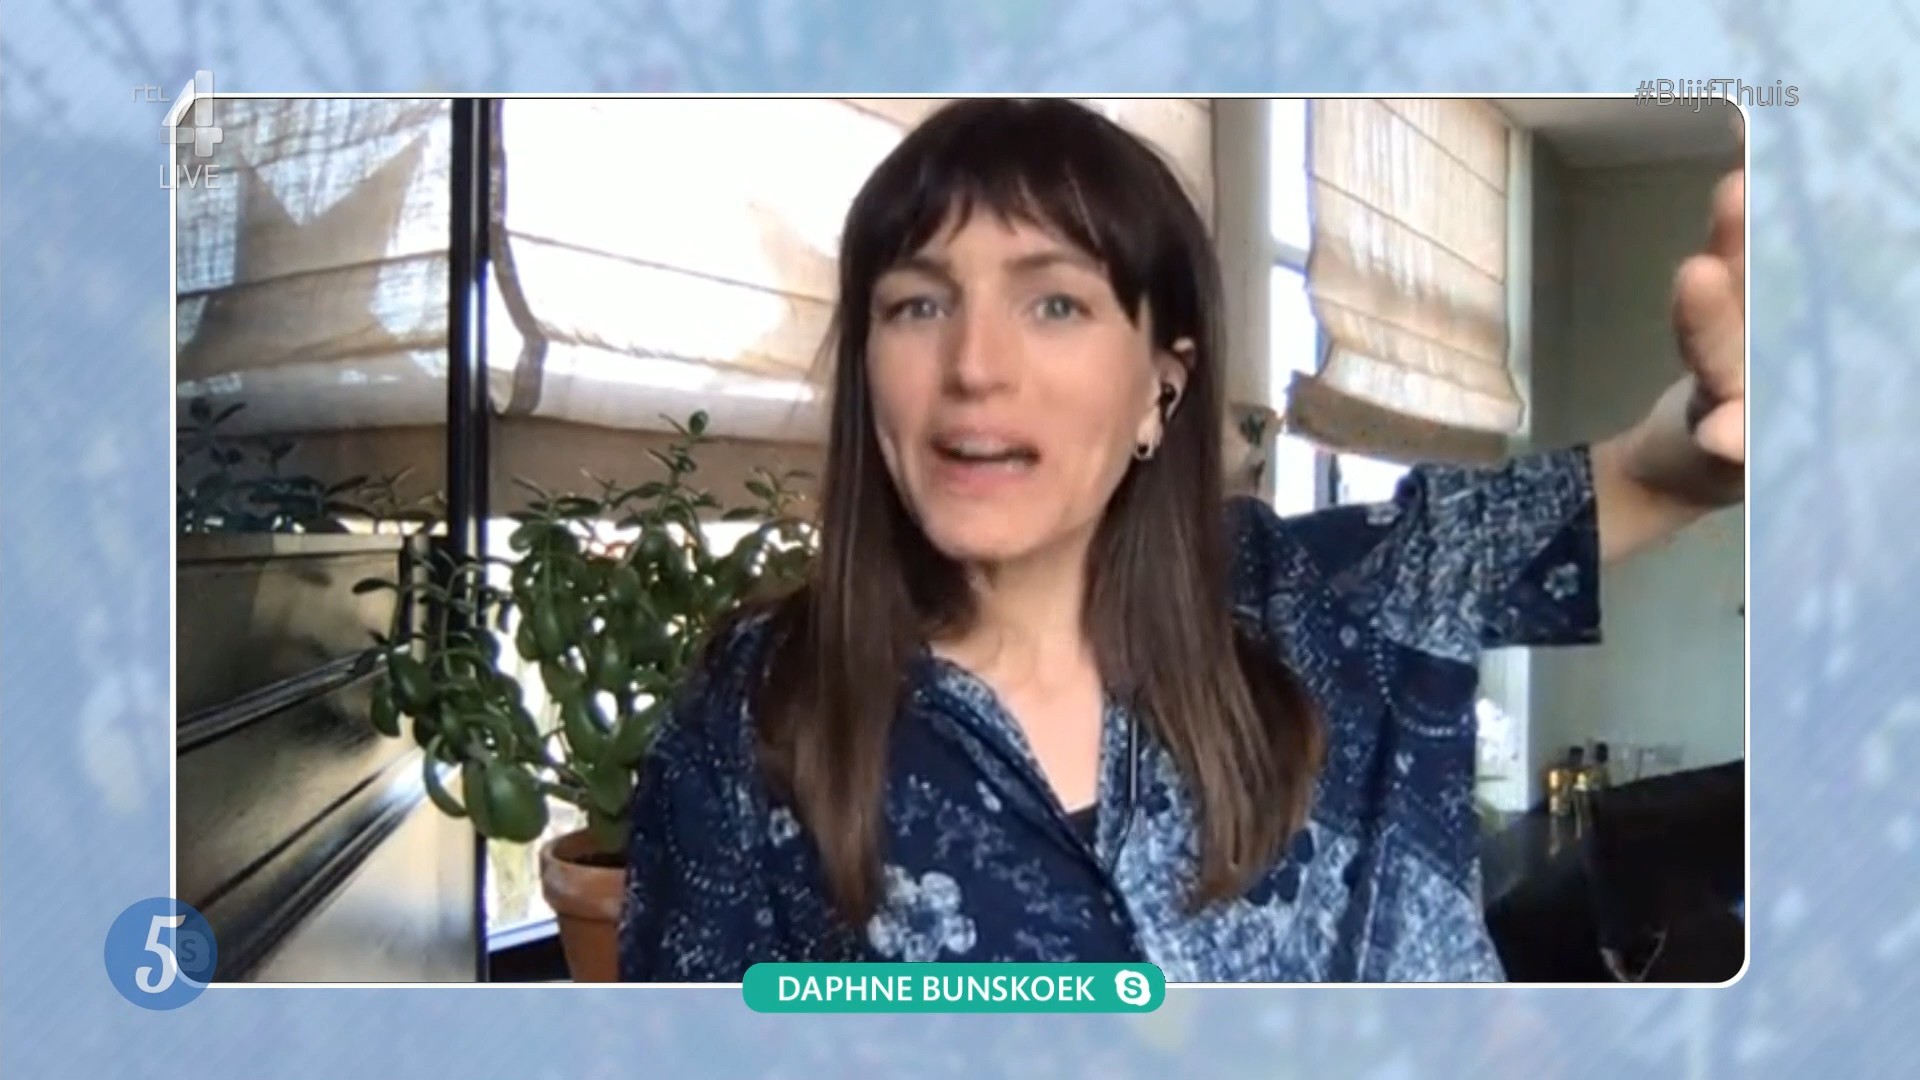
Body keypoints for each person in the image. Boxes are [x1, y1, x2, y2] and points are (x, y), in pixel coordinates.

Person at [617, 98, 1744, 982]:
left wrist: (1723, 415)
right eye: (918, 304)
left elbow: (1648, 474)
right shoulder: (756, 712)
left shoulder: (1334, 603)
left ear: (1163, 384)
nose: (973, 367)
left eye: (1055, 304)